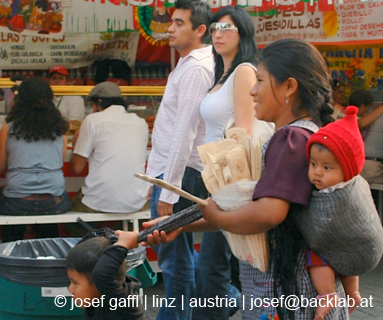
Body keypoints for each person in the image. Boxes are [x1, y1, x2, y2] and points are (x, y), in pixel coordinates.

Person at [144, 39, 350, 320]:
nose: (252, 91)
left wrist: (214, 216)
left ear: (289, 87)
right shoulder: (299, 135)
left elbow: (267, 213)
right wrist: (183, 224)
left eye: (261, 81)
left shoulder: (290, 139)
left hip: (289, 296)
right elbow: (246, 212)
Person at [144, 0, 213, 318]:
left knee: (174, 259)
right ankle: (223, 301)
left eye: (179, 23)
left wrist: (168, 190)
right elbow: (169, 130)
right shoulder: (187, 64)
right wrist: (153, 179)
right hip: (170, 172)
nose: (170, 28)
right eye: (171, 21)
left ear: (200, 30)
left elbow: (184, 133)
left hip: (181, 173)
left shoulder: (197, 68)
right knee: (177, 254)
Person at [195, 6, 257, 320]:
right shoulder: (221, 74)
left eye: (227, 28)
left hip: (232, 183)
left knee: (213, 268)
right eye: (215, 27)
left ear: (242, 33)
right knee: (217, 267)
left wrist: (225, 183)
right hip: (217, 180)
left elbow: (243, 131)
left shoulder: (244, 71)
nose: (218, 34)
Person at [305, 106, 379, 319]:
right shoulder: (355, 185)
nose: (317, 172)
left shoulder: (339, 194)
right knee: (347, 255)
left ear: (347, 170)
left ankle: (328, 294)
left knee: (317, 254)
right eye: (313, 164)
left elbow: (318, 229)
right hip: (353, 252)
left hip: (338, 249)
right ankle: (353, 292)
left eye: (327, 168)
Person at [0, 77, 70, 242]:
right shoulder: (60, 130)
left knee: (9, 204)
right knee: (46, 212)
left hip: (16, 203)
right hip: (54, 202)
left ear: (20, 100)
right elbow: (58, 162)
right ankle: (49, 257)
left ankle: (11, 255)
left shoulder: (8, 128)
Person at [70, 81, 148, 214]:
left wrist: (75, 144)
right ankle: (121, 234)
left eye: (92, 105)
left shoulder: (92, 120)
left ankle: (91, 235)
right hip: (137, 201)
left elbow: (77, 167)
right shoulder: (141, 123)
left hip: (98, 201)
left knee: (73, 209)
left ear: (99, 102)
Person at [66, 231, 144, 319]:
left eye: (75, 283)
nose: (70, 289)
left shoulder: (121, 300)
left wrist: (123, 244)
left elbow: (102, 275)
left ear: (98, 282)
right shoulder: (95, 302)